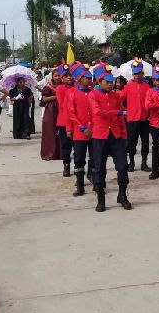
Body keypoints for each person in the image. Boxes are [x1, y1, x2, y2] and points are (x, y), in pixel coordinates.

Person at [88, 64, 130, 212]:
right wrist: (118, 113)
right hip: (100, 136)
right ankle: (101, 199)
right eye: (107, 82)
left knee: (123, 166)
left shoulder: (115, 96)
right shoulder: (93, 95)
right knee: (100, 168)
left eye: (112, 82)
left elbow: (121, 120)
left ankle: (122, 195)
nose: (111, 84)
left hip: (116, 135)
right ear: (99, 82)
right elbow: (98, 112)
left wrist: (124, 135)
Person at [67, 64, 95, 197]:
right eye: (86, 78)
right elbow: (71, 113)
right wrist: (82, 127)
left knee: (95, 157)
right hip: (80, 132)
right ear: (79, 79)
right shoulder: (72, 93)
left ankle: (96, 181)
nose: (89, 80)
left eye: (89, 78)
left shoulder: (94, 92)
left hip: (94, 131)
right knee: (79, 159)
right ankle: (80, 185)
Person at [122, 59, 151, 172]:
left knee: (145, 142)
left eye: (138, 73)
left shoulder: (147, 86)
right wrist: (124, 110)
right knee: (131, 142)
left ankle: (144, 162)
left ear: (142, 73)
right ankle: (131, 162)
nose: (136, 75)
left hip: (144, 118)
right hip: (132, 119)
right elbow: (119, 99)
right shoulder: (128, 86)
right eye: (135, 73)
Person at [145, 65, 159, 180]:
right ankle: (155, 171)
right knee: (156, 147)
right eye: (156, 80)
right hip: (155, 123)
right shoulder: (150, 92)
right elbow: (148, 106)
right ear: (153, 81)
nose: (158, 82)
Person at [55, 65, 75, 176]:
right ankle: (66, 165)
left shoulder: (76, 88)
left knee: (77, 146)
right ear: (62, 78)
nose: (69, 78)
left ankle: (78, 167)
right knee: (66, 145)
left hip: (76, 121)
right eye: (66, 76)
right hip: (63, 121)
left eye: (70, 76)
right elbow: (62, 104)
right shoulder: (60, 89)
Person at [39, 70, 62, 160]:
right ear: (52, 77)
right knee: (50, 130)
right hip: (51, 110)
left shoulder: (64, 85)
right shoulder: (48, 87)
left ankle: (61, 153)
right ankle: (49, 152)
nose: (57, 77)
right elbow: (44, 99)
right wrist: (57, 96)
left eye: (59, 75)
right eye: (55, 76)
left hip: (61, 109)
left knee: (61, 131)